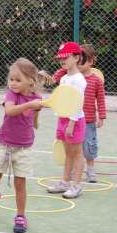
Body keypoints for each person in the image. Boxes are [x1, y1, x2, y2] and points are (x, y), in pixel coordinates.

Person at [0, 58, 43, 233]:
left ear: (30, 81)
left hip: (24, 147)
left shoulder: (36, 98)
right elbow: (9, 111)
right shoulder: (11, 95)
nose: (13, 83)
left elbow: (33, 114)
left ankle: (21, 216)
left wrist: (36, 116)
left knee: (20, 182)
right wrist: (31, 105)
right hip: (3, 143)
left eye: (18, 80)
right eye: (11, 79)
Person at [51, 44, 106, 183]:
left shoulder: (91, 80)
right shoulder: (67, 76)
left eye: (83, 60)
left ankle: (88, 171)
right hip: (67, 118)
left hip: (85, 120)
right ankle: (70, 176)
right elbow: (56, 81)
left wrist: (102, 116)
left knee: (88, 147)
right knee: (72, 150)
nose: (81, 63)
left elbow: (100, 100)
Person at [46, 42, 87, 198]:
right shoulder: (64, 79)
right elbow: (62, 100)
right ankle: (65, 182)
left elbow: (77, 103)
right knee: (67, 153)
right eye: (60, 58)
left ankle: (76, 185)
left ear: (76, 58)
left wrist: (71, 123)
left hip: (74, 121)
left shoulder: (79, 80)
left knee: (77, 154)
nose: (62, 61)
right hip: (62, 119)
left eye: (66, 57)